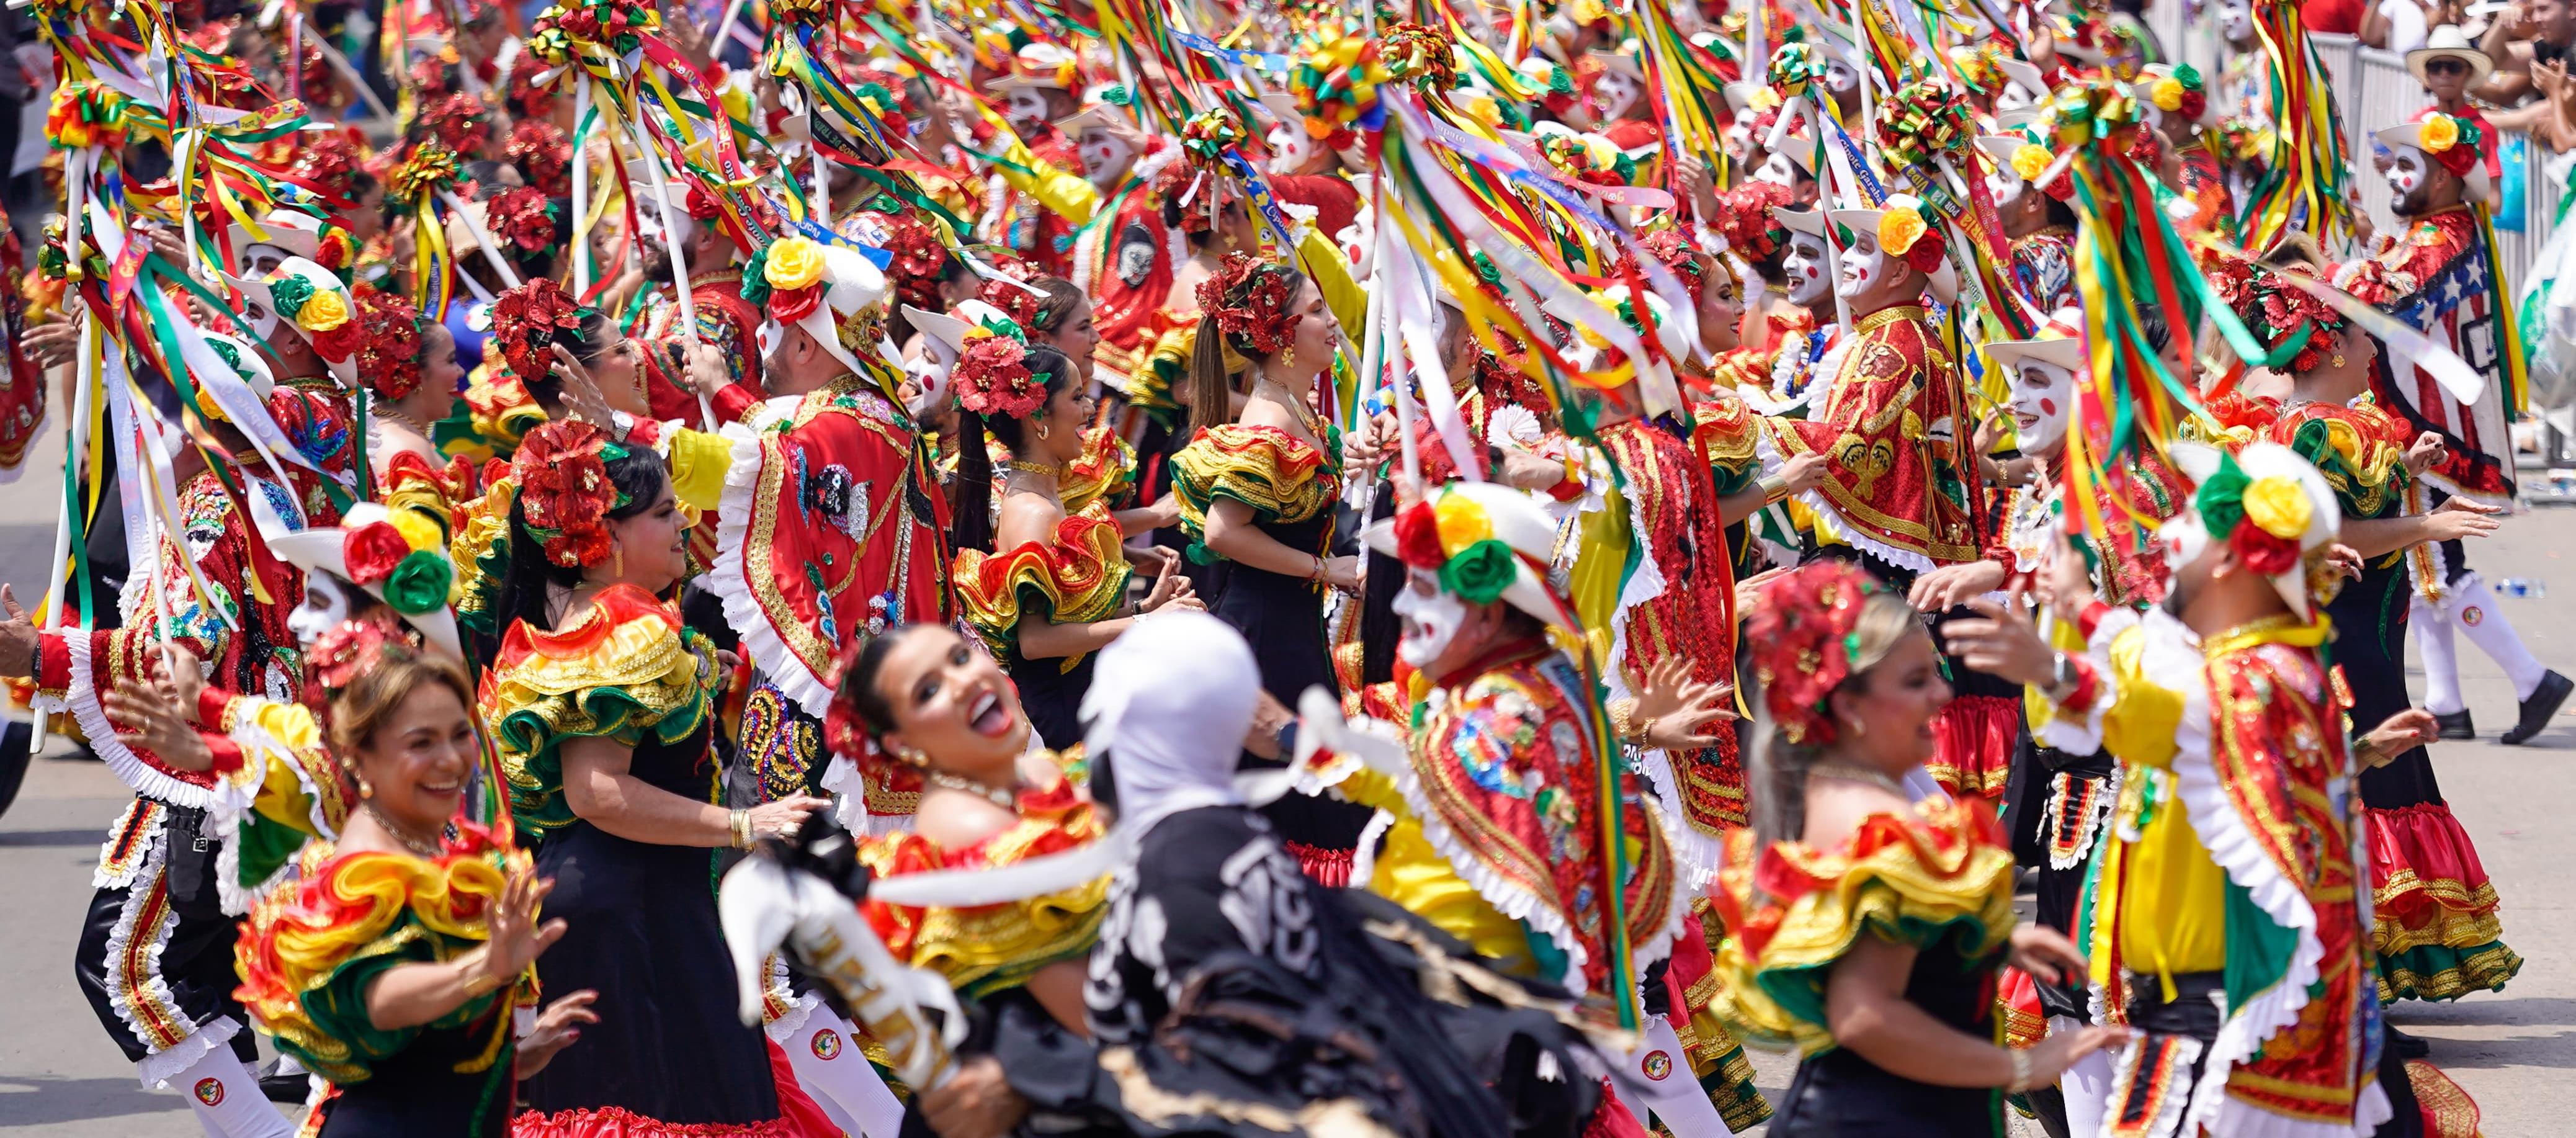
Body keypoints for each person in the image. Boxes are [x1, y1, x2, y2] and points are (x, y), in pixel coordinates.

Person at [1955, 442, 2409, 1138]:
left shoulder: (2258, 679)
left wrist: (2056, 669)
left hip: (2228, 1023)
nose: (2168, 532)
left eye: (2191, 520)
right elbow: (2155, 668)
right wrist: (2078, 606)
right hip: (2193, 1012)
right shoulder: (2250, 661)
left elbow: (2168, 713)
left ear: (2228, 558)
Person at [1317, 478, 1769, 1132]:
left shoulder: (1500, 708)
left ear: (1487, 615)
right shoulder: (1502, 681)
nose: (1407, 603)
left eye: (1428, 588)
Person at [480, 418, 826, 1134]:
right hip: (626, 911)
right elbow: (596, 791)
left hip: (633, 895)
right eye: (666, 513)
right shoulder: (620, 632)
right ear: (606, 536)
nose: (684, 525)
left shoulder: (613, 617)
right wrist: (743, 822)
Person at [1703, 560, 2124, 1136]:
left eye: (1935, 672)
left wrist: (1981, 942)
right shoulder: (1880, 825)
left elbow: (1874, 949)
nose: (1942, 694)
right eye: (1915, 681)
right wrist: (2021, 1066)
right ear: (1849, 704)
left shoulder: (1824, 792)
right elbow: (1864, 1017)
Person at [2210, 261, 2523, 1015]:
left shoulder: (2342, 423)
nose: (2373, 347)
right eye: (2360, 335)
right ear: (2330, 348)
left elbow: (2354, 501)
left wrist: (2407, 470)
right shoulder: (2309, 429)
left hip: (2372, 633)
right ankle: (2357, 983)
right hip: (2342, 638)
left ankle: (2370, 980)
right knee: (2368, 779)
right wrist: (2426, 524)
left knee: (2383, 774)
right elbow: (2332, 533)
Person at [232, 638, 601, 1136]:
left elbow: (422, 1048)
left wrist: (509, 1057)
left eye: (459, 735)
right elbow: (379, 1000)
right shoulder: (370, 865)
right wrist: (485, 968)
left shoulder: (420, 839)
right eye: (421, 743)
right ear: (360, 758)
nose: (451, 760)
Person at [1168, 253, 1369, 880]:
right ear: (1280, 335)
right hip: (1266, 637)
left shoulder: (1295, 408)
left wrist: (1355, 455)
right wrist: (1326, 569)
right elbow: (1224, 531)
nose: (1332, 323)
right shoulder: (1269, 421)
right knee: (1307, 808)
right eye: (1317, 312)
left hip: (1289, 629)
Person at [938, 315, 1201, 747]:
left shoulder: (1043, 495)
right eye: (1077, 398)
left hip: (1072, 695)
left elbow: (1063, 624)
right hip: (1056, 713)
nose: (1088, 410)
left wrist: (1143, 608)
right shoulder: (1034, 511)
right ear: (1037, 417)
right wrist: (1147, 622)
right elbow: (1035, 642)